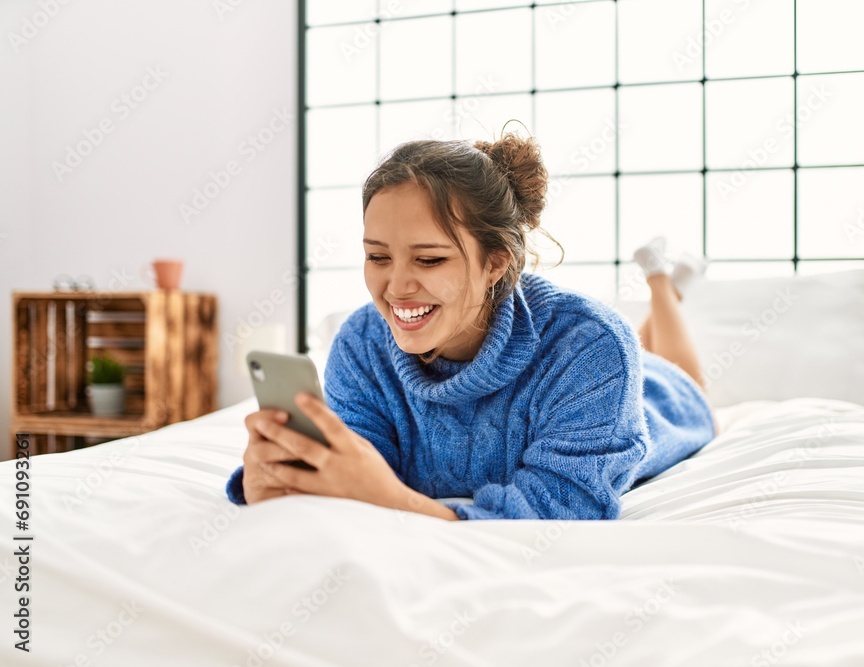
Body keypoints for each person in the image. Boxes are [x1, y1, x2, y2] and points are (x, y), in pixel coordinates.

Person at [224, 133, 717, 520]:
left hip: (658, 398)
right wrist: (279, 478)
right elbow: (355, 471)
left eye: (429, 259)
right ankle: (667, 288)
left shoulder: (593, 348)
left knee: (684, 375)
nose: (395, 287)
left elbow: (564, 509)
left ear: (496, 263)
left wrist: (394, 500)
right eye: (377, 256)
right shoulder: (361, 343)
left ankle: (661, 285)